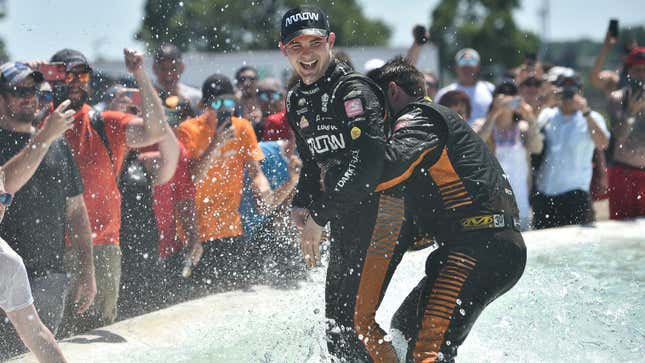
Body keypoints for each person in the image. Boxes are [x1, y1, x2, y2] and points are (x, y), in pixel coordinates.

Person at [351, 56, 526, 362]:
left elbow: (387, 167)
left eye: (375, 105)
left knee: (427, 353)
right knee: (405, 329)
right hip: (484, 245)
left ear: (392, 92)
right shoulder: (433, 124)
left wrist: (341, 174)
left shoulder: (420, 116)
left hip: (478, 247)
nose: (374, 117)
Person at [279, 5, 387, 360]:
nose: (306, 54)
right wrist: (301, 203)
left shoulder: (352, 89)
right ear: (284, 50)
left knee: (355, 321)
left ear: (330, 42)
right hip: (346, 219)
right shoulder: (296, 100)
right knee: (337, 324)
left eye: (314, 43)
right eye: (296, 45)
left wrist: (319, 216)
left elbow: (369, 163)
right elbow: (312, 161)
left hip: (383, 215)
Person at [50, 48, 170, 336]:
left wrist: (139, 73)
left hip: (101, 246)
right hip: (46, 247)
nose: (77, 80)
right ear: (52, 77)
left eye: (83, 74)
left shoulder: (104, 123)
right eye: (67, 73)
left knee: (95, 337)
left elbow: (157, 130)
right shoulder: (35, 122)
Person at [0, 62, 96, 355]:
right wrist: (44, 136)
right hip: (4, 268)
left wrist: (87, 269)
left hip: (48, 276)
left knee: (41, 349)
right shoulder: (47, 138)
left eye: (34, 90)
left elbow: (77, 210)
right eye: (19, 90)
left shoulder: (57, 143)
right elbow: (7, 180)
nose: (30, 96)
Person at [177, 74, 270, 290]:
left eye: (229, 102)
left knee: (232, 299)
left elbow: (255, 171)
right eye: (217, 103)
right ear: (203, 105)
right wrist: (216, 144)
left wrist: (263, 188)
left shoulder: (243, 127)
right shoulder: (188, 130)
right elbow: (191, 179)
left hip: (231, 229)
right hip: (195, 234)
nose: (224, 108)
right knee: (197, 302)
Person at [99, 84, 181, 317]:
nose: (127, 112)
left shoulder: (143, 162)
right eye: (119, 105)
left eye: (130, 110)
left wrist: (152, 115)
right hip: (106, 252)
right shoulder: (93, 155)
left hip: (142, 254)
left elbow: (172, 156)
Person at [532, 72, 610, 229]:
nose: (567, 95)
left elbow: (602, 144)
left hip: (575, 196)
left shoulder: (591, 117)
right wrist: (546, 102)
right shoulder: (547, 114)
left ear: (580, 92)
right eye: (564, 90)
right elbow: (527, 134)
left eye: (571, 90)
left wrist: (585, 111)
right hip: (545, 194)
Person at [472, 79, 543, 230]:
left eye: (512, 96)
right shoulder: (482, 124)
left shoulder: (523, 128)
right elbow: (475, 146)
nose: (508, 100)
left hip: (521, 202)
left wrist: (529, 115)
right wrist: (494, 113)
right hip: (491, 203)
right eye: (503, 96)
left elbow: (537, 148)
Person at [606, 46, 645, 219]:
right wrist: (631, 112)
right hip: (623, 174)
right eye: (638, 70)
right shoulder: (617, 98)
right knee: (621, 231)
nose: (642, 75)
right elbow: (620, 135)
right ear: (629, 72)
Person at [435, 48, 495, 124]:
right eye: (464, 67)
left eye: (470, 67)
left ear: (478, 67)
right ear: (456, 67)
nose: (467, 70)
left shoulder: (490, 89)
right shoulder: (445, 93)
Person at [152, 43, 202, 120]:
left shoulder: (195, 98)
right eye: (163, 68)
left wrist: (190, 112)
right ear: (154, 69)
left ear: (182, 68)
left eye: (173, 68)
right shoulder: (147, 97)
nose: (168, 73)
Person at [235, 65, 263, 131]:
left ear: (258, 82)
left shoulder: (265, 102)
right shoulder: (234, 105)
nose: (247, 83)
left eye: (251, 79)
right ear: (237, 84)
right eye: (242, 79)